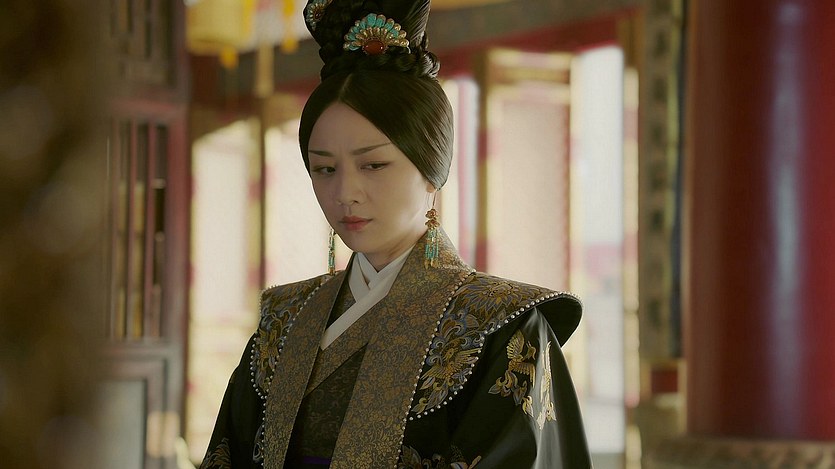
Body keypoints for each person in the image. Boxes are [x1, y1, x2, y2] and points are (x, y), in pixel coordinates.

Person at [200, 0, 591, 467]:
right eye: (325, 169)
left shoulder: (503, 326)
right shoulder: (284, 321)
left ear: (431, 171)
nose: (345, 193)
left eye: (374, 165)